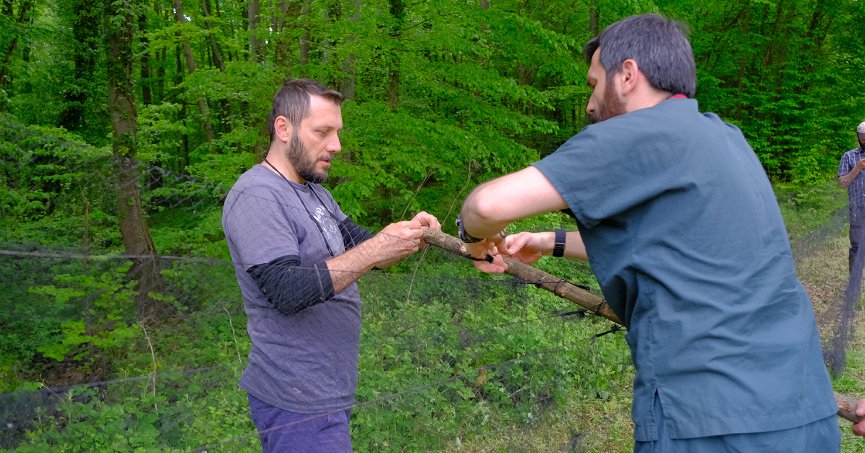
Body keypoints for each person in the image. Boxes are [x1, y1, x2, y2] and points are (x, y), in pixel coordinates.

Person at [456, 13, 860, 452]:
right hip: (802, 408)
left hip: (708, 420)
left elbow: (485, 206)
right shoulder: (725, 137)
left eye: (594, 83)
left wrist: (475, 235)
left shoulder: (637, 133)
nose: (590, 103)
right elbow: (674, 248)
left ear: (627, 74)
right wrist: (548, 242)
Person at [222, 78, 440, 452]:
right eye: (323, 132)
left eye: (337, 133)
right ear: (283, 128)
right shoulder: (256, 194)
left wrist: (406, 234)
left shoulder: (315, 191)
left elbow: (359, 244)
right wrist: (376, 250)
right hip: (295, 400)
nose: (336, 145)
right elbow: (286, 290)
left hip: (326, 391)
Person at [838, 121, 865, 273]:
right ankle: (854, 282)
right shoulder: (849, 156)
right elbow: (842, 183)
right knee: (857, 245)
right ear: (858, 137)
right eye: (862, 137)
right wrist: (858, 167)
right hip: (858, 209)